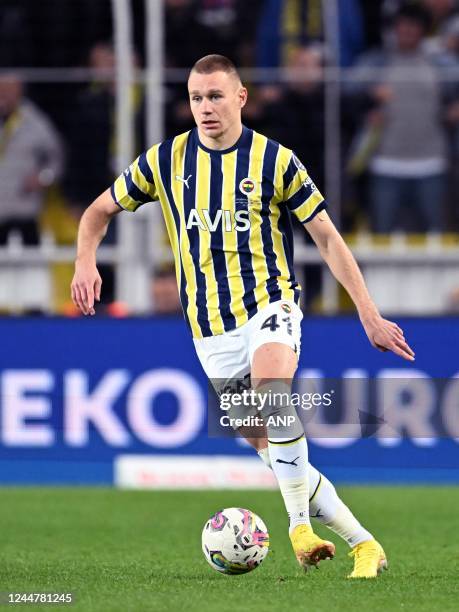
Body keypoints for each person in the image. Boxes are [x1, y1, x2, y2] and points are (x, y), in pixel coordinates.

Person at [71, 54, 415, 578]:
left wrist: (367, 312)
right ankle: (364, 544)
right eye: (195, 98)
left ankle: (299, 527)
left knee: (273, 389)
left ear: (240, 98)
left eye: (214, 96)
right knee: (268, 446)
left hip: (270, 302)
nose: (204, 108)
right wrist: (84, 260)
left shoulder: (274, 160)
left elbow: (326, 235)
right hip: (210, 326)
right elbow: (97, 212)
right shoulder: (166, 160)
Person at [0, 73, 63, 245]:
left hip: (25, 209)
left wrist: (44, 178)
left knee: (32, 265)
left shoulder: (35, 122)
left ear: (20, 92)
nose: (3, 95)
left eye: (9, 90)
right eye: (1, 90)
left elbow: (57, 157)